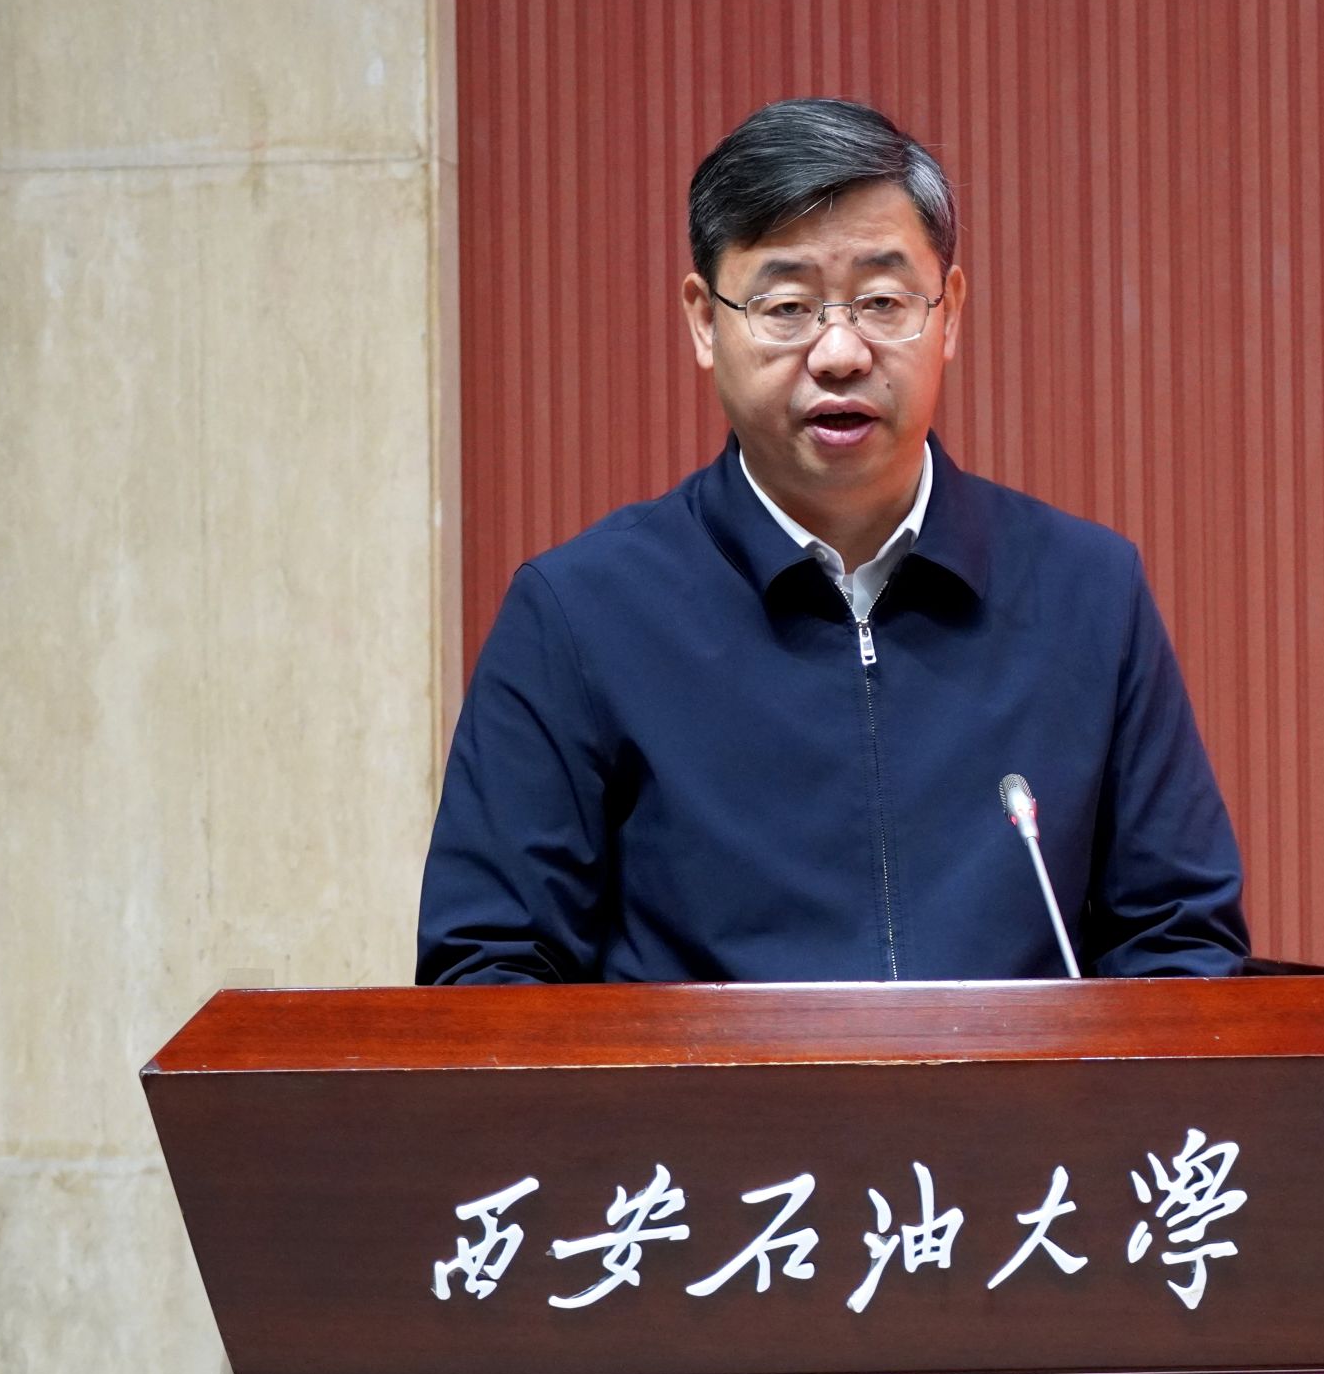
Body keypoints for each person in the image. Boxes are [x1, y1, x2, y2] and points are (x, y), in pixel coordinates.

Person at [417, 98, 1247, 984]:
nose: (841, 352)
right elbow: (490, 970)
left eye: (883, 301)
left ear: (950, 313)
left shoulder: (1087, 593)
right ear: (704, 321)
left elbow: (1181, 945)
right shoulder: (582, 615)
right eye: (787, 306)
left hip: (1019, 1087)